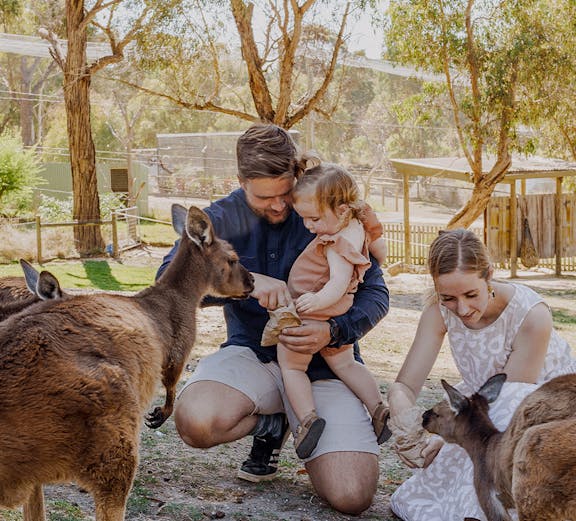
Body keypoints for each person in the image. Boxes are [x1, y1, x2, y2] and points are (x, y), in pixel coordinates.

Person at [156, 123, 390, 515]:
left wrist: (332, 330)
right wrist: (245, 283)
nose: (280, 206)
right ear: (241, 181)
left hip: (325, 364)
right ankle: (272, 423)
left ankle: (303, 421)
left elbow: (377, 293)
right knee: (195, 421)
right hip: (254, 355)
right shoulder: (221, 218)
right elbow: (168, 283)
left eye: (286, 193)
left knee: (353, 496)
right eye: (266, 197)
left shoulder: (325, 207)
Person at [387, 228, 576, 521]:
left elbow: (511, 397)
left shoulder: (531, 315)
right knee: (421, 497)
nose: (461, 309)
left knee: (486, 483)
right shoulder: (440, 312)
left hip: (538, 412)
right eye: (448, 297)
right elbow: (404, 384)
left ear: (489, 274)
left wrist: (449, 435)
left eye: (471, 294)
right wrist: (403, 421)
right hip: (482, 411)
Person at [264, 162, 390, 459]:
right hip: (339, 310)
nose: (309, 227)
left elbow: (336, 281)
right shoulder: (359, 225)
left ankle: (307, 419)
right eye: (305, 219)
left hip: (315, 309)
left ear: (343, 209)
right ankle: (378, 407)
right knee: (345, 364)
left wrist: (315, 302)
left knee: (293, 367)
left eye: (314, 219)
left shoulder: (335, 243)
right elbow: (380, 253)